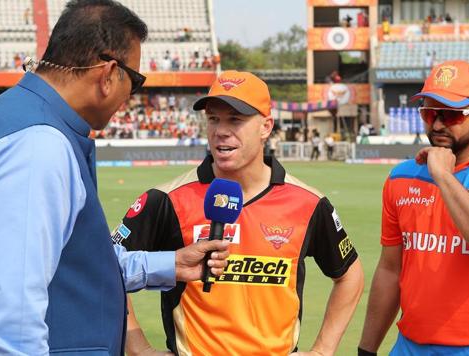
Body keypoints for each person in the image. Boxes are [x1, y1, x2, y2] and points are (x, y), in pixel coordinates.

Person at [0, 1, 229, 355]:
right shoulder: (40, 146)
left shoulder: (22, 117)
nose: (132, 96)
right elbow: (13, 321)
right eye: (136, 81)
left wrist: (171, 264)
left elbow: (77, 263)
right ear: (109, 73)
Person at [119, 70, 364, 355]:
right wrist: (138, 348)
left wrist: (322, 350)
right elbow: (107, 269)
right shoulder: (165, 199)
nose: (221, 130)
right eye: (213, 119)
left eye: (235, 119)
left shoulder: (308, 202)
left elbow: (350, 275)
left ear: (266, 126)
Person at [358, 60, 469, 355]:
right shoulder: (401, 177)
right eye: (429, 113)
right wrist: (367, 349)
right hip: (411, 345)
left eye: (452, 115)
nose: (438, 124)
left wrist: (443, 175)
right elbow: (390, 270)